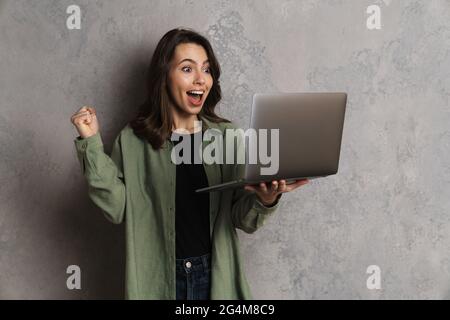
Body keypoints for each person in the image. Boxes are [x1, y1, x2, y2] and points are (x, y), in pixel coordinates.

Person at [70, 28, 309, 300]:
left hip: (214, 278)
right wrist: (90, 142)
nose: (200, 80)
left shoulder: (228, 136)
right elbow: (115, 208)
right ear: (164, 78)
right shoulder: (133, 140)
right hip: (158, 280)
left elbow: (242, 218)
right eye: (187, 69)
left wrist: (266, 199)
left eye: (206, 70)